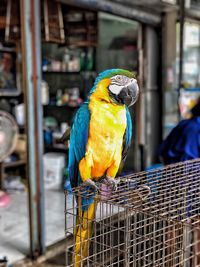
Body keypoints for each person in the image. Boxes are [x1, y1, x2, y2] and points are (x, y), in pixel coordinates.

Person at [159, 99, 200, 165]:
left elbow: (163, 150)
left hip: (173, 169)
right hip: (185, 171)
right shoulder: (194, 128)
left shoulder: (184, 124)